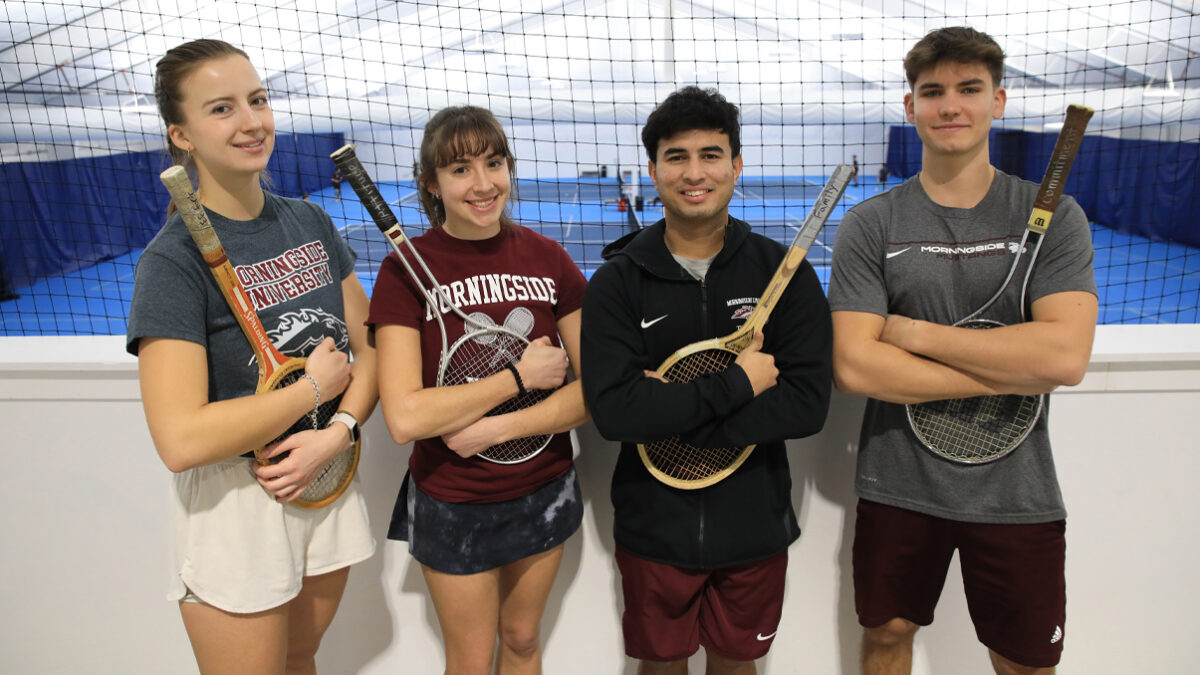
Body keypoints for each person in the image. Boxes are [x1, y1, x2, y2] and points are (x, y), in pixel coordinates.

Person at [827, 27, 1097, 675]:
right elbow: (857, 363)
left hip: (1017, 491)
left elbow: (1063, 357)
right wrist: (1007, 366)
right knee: (888, 631)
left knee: (1025, 660)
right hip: (897, 482)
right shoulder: (872, 225)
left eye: (969, 89)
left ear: (997, 102)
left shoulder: (1054, 216)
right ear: (910, 106)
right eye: (933, 91)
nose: (951, 105)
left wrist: (912, 334)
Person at [126, 39, 377, 674]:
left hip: (325, 474)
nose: (251, 121)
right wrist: (312, 393)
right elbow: (180, 440)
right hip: (240, 501)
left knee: (302, 661)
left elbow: (368, 347)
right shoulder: (172, 262)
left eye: (257, 99)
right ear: (181, 135)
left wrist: (337, 432)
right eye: (222, 108)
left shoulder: (310, 222)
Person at [581, 86, 833, 674]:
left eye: (711, 154)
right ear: (654, 170)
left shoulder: (782, 273)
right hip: (654, 529)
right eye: (676, 156)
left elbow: (806, 405)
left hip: (755, 526)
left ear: (736, 165)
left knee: (735, 666)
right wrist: (739, 386)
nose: (695, 172)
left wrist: (666, 412)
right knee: (660, 667)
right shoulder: (617, 282)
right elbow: (617, 413)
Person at [366, 105, 588, 674]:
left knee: (521, 641)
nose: (484, 184)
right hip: (453, 498)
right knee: (468, 661)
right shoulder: (404, 272)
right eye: (461, 169)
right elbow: (405, 418)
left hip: (544, 487)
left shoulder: (549, 259)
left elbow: (596, 391)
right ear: (431, 184)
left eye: (494, 163)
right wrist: (518, 378)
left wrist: (497, 426)